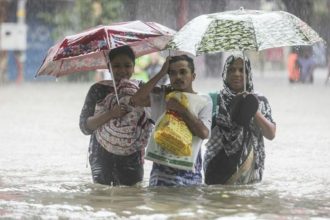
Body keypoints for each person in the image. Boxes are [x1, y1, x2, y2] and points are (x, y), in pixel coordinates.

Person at [131, 55, 212, 186]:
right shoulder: (163, 95)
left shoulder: (204, 100)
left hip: (190, 178)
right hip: (160, 178)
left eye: (183, 72)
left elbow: (204, 133)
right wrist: (161, 73)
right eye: (172, 73)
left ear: (193, 76)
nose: (178, 77)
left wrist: (181, 109)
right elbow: (136, 100)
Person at [79, 45, 152, 186]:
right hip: (101, 157)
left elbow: (154, 115)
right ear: (109, 66)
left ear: (134, 66)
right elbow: (85, 127)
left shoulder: (141, 88)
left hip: (133, 158)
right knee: (102, 198)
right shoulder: (98, 90)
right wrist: (111, 114)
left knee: (130, 199)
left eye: (127, 65)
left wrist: (163, 72)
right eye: (116, 66)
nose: (122, 70)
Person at [204, 54, 276, 185]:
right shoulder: (213, 99)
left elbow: (271, 134)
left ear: (248, 74)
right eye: (231, 70)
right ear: (225, 73)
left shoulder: (260, 101)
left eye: (242, 70)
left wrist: (252, 108)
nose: (237, 74)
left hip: (249, 171)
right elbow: (202, 132)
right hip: (217, 171)